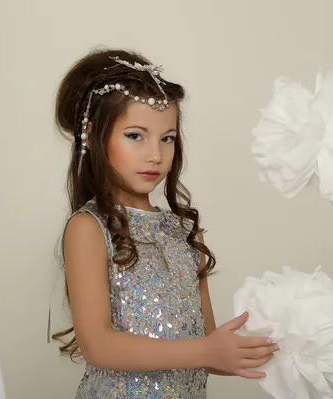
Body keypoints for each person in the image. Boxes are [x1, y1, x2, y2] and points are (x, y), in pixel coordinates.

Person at [50, 48, 279, 398]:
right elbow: (99, 346)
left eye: (167, 138)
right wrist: (206, 350)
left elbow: (206, 350)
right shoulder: (89, 228)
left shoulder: (185, 234)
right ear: (94, 136)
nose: (155, 154)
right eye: (135, 136)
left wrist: (262, 346)